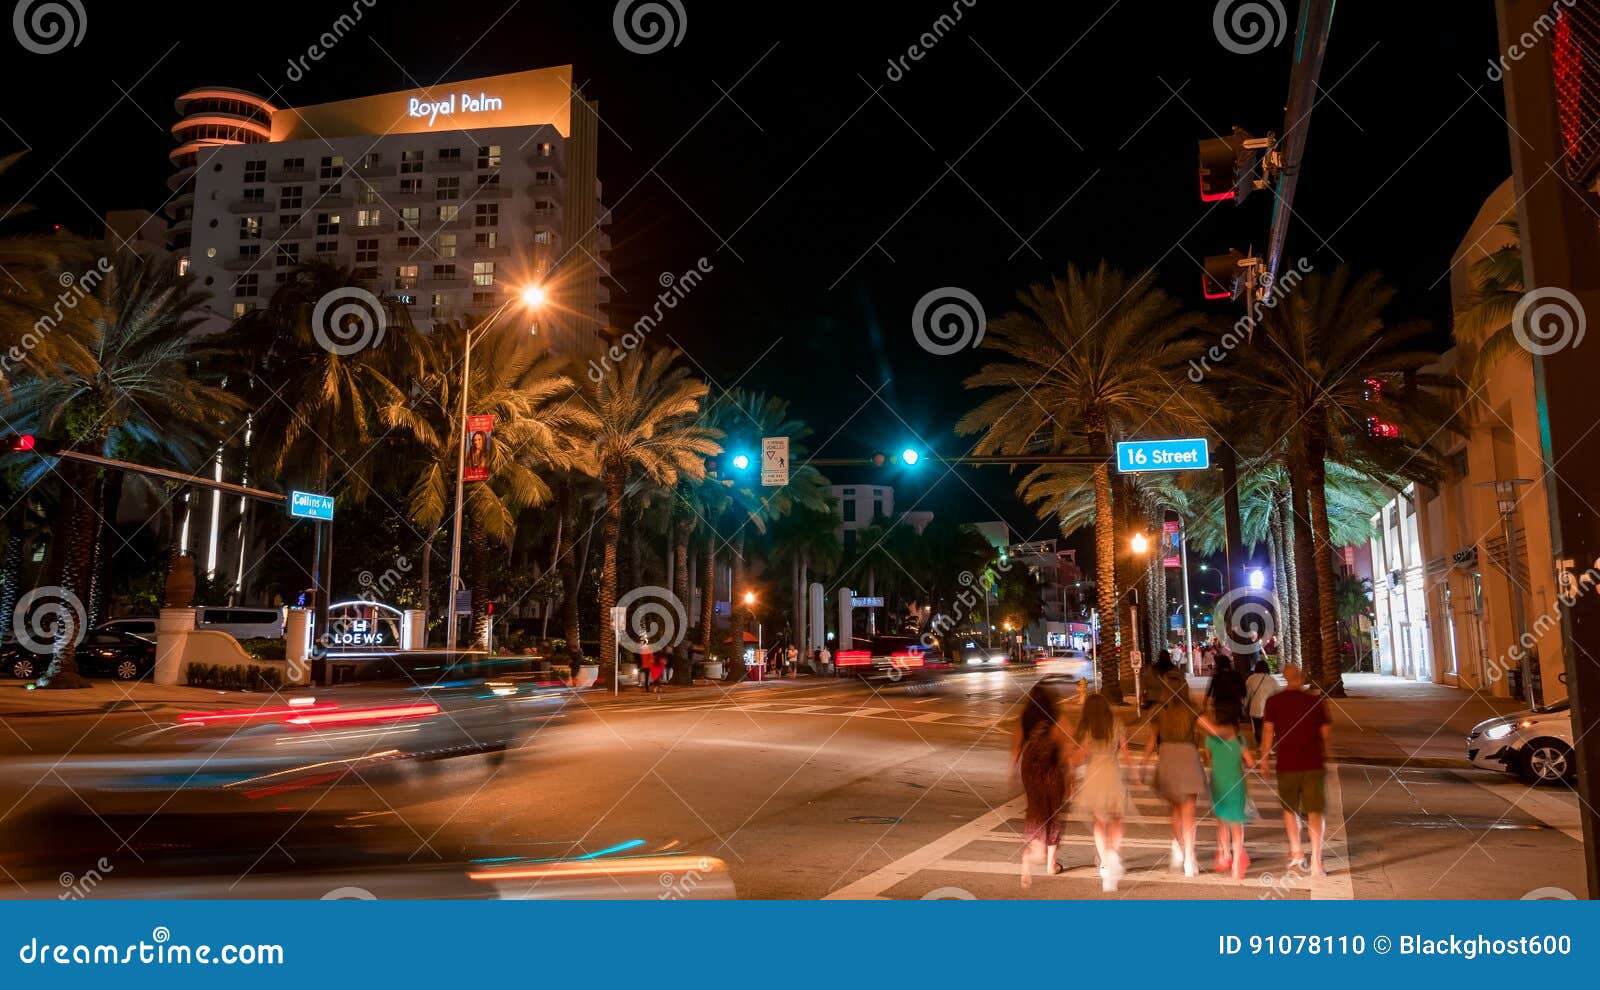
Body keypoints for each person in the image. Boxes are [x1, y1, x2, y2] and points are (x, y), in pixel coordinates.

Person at [1259, 662, 1332, 876]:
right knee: (1315, 811)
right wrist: (1326, 753)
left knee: (1289, 809)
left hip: (1287, 764)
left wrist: (1264, 758)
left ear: (1284, 677)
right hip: (1313, 763)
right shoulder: (1315, 701)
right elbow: (1326, 733)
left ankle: (1297, 851)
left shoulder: (1274, 702)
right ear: (1300, 678)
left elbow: (1267, 732)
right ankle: (1317, 860)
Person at [1142, 668, 1206, 876]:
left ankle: (1178, 847)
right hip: (1188, 757)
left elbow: (1152, 740)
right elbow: (1209, 729)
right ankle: (1189, 859)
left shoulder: (1159, 711)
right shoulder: (1191, 709)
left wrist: (1143, 763)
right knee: (1189, 812)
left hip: (1168, 757)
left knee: (1176, 810)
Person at [1016, 681, 1075, 888]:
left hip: (1030, 769)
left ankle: (1029, 854)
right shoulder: (1058, 718)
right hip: (1051, 770)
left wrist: (1012, 771)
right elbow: (1067, 749)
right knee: (1054, 814)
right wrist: (1070, 775)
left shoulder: (1025, 718)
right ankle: (1051, 864)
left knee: (1035, 811)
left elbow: (1017, 747)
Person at [1074, 691, 1131, 891]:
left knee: (1099, 822)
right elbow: (1125, 751)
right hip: (1112, 773)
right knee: (1117, 818)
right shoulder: (1116, 724)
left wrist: (1068, 768)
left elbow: (1081, 754)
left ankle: (1105, 864)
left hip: (1094, 775)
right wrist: (1136, 774)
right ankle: (1113, 854)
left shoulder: (1088, 728)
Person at [1204, 699, 1256, 880]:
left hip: (1218, 785)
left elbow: (1207, 758)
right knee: (1236, 824)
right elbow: (1250, 762)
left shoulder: (1210, 740)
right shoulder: (1240, 740)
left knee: (1221, 822)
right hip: (1236, 785)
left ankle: (1225, 855)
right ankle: (1237, 865)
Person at [1205, 651, 1247, 727]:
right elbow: (1243, 691)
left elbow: (1210, 690)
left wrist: (1205, 702)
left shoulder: (1217, 676)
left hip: (1220, 705)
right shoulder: (1236, 675)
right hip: (1234, 705)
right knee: (1234, 727)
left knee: (1221, 727)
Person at [1245, 658, 1281, 745]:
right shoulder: (1272, 680)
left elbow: (1247, 694)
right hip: (1268, 709)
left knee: (1257, 728)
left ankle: (1260, 746)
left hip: (1255, 708)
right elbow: (1278, 694)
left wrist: (1245, 706)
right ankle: (1268, 747)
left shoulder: (1251, 679)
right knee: (1269, 728)